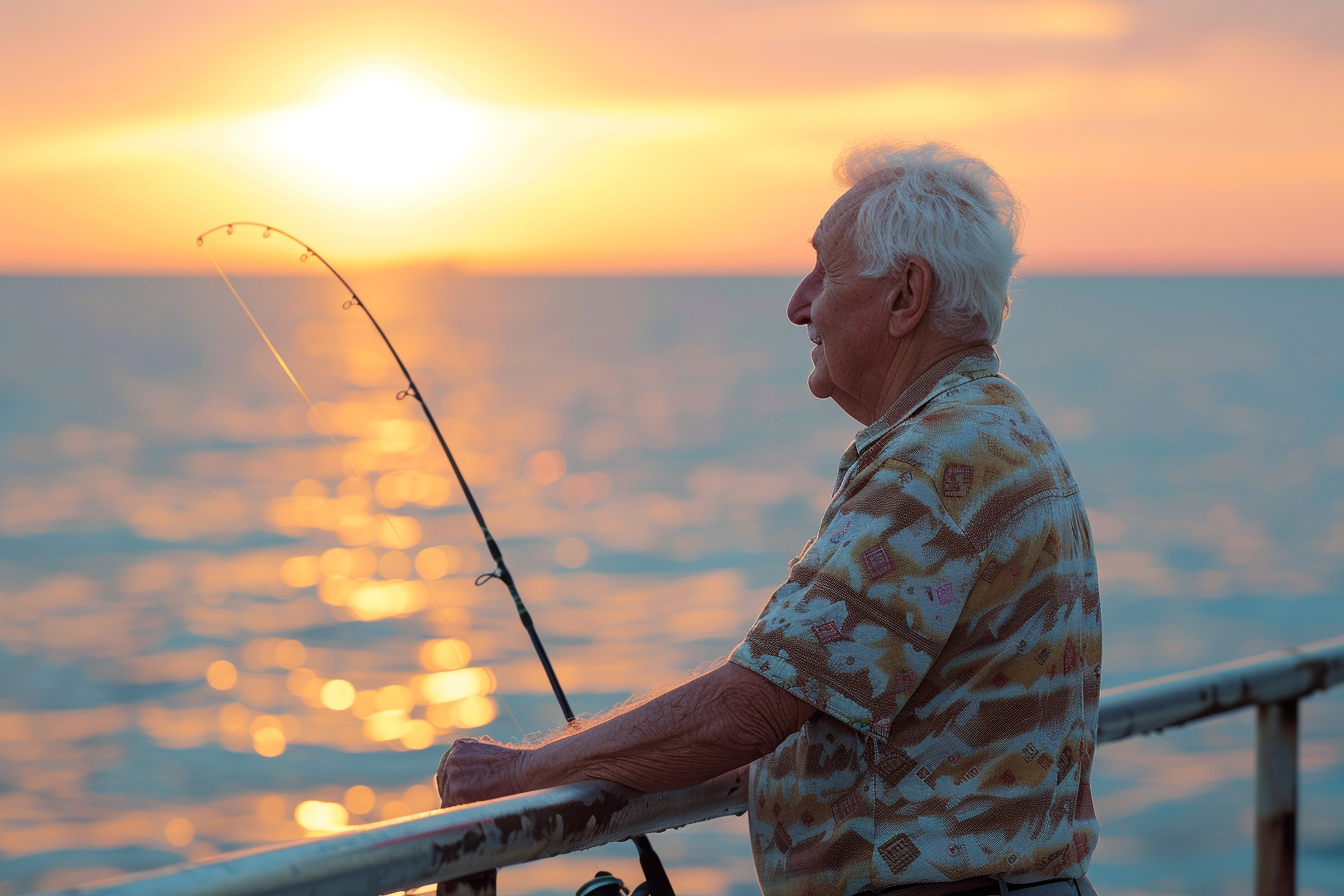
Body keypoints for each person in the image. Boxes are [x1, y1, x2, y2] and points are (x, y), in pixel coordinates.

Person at [436, 142, 1102, 896]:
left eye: (826, 272)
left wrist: (522, 772)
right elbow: (828, 702)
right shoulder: (999, 432)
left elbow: (751, 707)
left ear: (905, 296)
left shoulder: (939, 464)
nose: (798, 303)